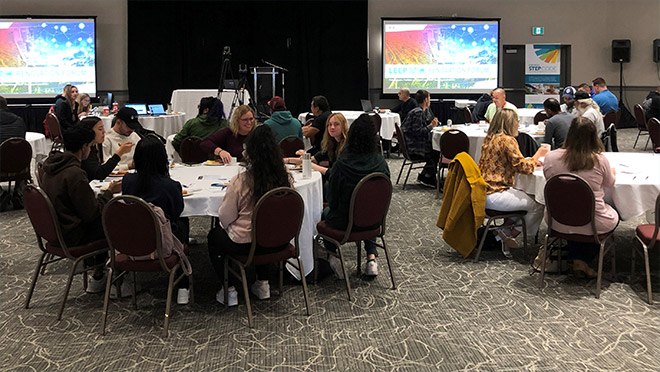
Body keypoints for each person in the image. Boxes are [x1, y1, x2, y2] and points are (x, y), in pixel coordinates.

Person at [207, 125, 293, 305]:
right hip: (279, 240)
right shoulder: (286, 178)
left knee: (214, 235)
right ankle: (263, 284)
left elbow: (225, 216)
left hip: (247, 245)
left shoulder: (242, 180)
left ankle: (229, 289)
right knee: (265, 227)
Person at [40, 125, 122, 292]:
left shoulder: (51, 167)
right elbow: (92, 213)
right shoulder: (74, 173)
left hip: (56, 231)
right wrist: (108, 192)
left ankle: (98, 274)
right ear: (84, 146)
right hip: (73, 234)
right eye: (90, 146)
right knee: (118, 222)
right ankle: (118, 281)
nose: (90, 150)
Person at [543, 116, 618, 278]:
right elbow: (610, 184)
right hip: (594, 223)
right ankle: (583, 258)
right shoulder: (599, 160)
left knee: (573, 209)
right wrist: (611, 172)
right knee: (614, 211)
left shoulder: (550, 158)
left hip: (557, 220)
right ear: (594, 136)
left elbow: (549, 179)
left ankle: (577, 257)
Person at [122, 135, 191, 304]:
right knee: (183, 221)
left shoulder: (127, 180)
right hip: (163, 240)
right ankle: (183, 285)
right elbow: (176, 212)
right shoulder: (170, 185)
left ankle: (126, 281)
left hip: (133, 239)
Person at [322, 114, 390, 277]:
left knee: (324, 213)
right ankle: (371, 258)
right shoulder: (381, 163)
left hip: (344, 224)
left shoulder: (342, 165)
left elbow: (333, 201)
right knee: (366, 210)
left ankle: (334, 258)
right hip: (374, 223)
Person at [477, 108, 548, 258]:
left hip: (483, 192)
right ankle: (509, 235)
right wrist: (538, 155)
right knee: (538, 203)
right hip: (495, 193)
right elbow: (523, 167)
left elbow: (512, 163)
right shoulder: (508, 140)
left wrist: (531, 161)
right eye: (516, 121)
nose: (518, 124)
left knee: (524, 197)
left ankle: (502, 233)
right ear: (510, 122)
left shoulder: (490, 138)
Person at [284, 112, 348, 177]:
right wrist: (287, 160)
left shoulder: (347, 147)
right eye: (330, 124)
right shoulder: (331, 144)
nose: (332, 127)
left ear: (343, 126)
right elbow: (312, 159)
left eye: (336, 124)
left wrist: (313, 166)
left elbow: (335, 174)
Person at [401, 89, 439, 187]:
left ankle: (425, 175)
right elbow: (418, 132)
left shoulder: (421, 111)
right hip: (414, 148)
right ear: (426, 100)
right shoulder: (418, 113)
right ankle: (428, 177)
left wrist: (432, 124)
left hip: (413, 144)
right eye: (429, 98)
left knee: (434, 149)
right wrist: (431, 126)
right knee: (437, 151)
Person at [0, 95, 27, 211]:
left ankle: (1, 195)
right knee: (20, 153)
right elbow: (22, 141)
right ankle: (19, 192)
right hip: (20, 166)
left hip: (1, 167)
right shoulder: (19, 120)